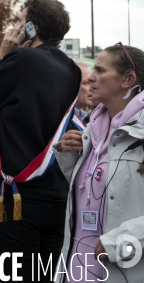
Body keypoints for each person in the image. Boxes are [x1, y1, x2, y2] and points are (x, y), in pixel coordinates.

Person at [0, 0, 81, 280]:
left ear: (32, 27)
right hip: (57, 189)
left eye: (19, 22)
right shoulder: (72, 69)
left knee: (13, 274)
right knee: (47, 274)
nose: (15, 28)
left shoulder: (20, 58)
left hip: (19, 193)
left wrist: (3, 52)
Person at [55, 44, 144, 282]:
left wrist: (121, 240)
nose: (91, 78)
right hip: (76, 260)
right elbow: (93, 193)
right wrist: (68, 156)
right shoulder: (92, 128)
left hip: (122, 265)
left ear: (128, 79)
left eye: (100, 70)